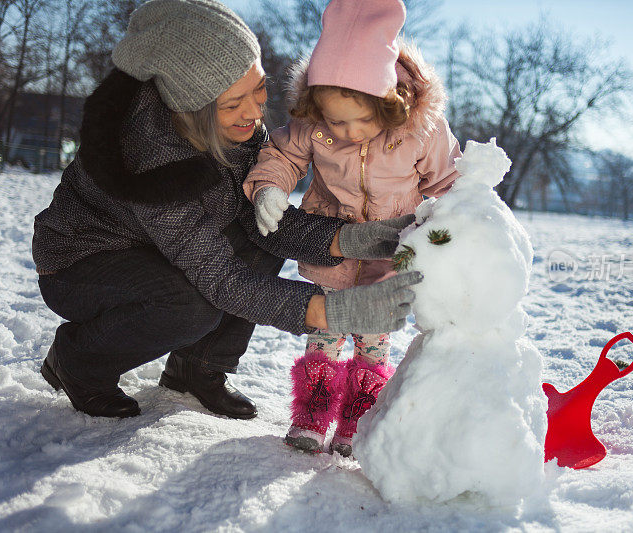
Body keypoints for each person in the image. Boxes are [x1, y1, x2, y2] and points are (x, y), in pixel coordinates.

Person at [32, 0, 422, 421]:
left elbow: (259, 221)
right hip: (83, 262)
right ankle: (78, 361)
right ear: (192, 106)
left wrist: (351, 239)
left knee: (265, 229)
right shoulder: (151, 152)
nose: (256, 112)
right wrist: (331, 312)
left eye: (258, 87)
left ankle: (196, 368)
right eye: (233, 102)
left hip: (162, 248)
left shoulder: (240, 127)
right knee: (189, 305)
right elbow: (219, 277)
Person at [243, 0, 461, 456]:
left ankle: (356, 423)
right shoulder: (313, 123)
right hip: (332, 247)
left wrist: (455, 227)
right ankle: (311, 417)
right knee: (324, 334)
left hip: (389, 252)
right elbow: (282, 157)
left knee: (373, 341)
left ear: (388, 102)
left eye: (360, 119)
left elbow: (450, 182)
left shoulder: (421, 130)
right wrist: (269, 188)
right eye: (333, 120)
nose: (345, 131)